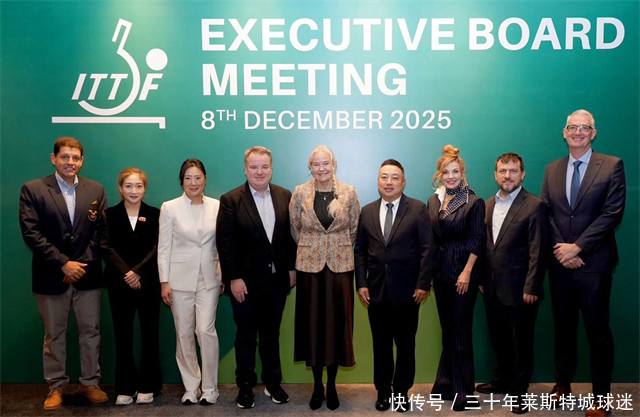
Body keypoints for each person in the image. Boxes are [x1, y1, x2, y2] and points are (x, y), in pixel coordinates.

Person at [541, 109, 625, 417]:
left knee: (597, 331)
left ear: (593, 133)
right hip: (560, 264)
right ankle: (562, 386)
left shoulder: (612, 165)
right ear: (564, 132)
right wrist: (563, 252)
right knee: (563, 328)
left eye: (584, 127)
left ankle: (601, 398)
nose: (578, 132)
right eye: (573, 127)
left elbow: (612, 213)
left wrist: (578, 247)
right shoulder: (551, 169)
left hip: (595, 264)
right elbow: (546, 213)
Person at [19, 137, 108, 410]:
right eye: (65, 157)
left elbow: (101, 233)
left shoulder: (96, 189)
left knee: (90, 331)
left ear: (82, 161)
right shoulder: (33, 189)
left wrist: (78, 265)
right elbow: (31, 233)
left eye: (75, 158)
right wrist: (63, 264)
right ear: (53, 158)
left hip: (88, 276)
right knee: (54, 334)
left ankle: (90, 383)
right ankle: (56, 386)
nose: (70, 162)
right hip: (50, 276)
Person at [216, 146, 297, 409]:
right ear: (245, 169)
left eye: (264, 167)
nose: (259, 172)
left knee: (271, 336)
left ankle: (273, 383)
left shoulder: (285, 196)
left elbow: (290, 238)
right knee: (246, 337)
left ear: (271, 168)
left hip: (276, 282)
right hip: (245, 284)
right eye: (254, 167)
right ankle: (245, 387)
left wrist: (292, 268)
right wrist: (233, 278)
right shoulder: (231, 199)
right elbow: (225, 243)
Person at [355, 159, 432, 412]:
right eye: (384, 177)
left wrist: (423, 283)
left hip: (409, 292)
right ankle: (382, 391)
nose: (389, 182)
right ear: (378, 180)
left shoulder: (418, 209)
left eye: (395, 177)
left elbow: (427, 249)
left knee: (406, 346)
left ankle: (401, 392)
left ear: (403, 182)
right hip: (375, 292)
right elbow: (360, 251)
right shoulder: (367, 211)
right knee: (381, 346)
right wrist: (361, 283)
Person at [290, 145, 361, 411]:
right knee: (313, 327)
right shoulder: (300, 192)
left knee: (336, 327)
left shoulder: (348, 192)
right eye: (316, 164)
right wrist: (314, 247)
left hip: (340, 268)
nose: (322, 168)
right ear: (310, 167)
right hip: (309, 269)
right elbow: (295, 228)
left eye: (326, 163)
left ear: (334, 164)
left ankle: (331, 385)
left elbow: (354, 228)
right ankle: (317, 386)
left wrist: (334, 247)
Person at [477, 153, 548, 414]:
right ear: (495, 175)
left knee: (521, 343)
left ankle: (519, 392)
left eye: (513, 171)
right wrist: (482, 278)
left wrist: (532, 286)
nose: (507, 176)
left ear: (522, 174)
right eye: (502, 171)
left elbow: (538, 250)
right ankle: (501, 381)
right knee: (499, 338)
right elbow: (485, 246)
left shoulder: (535, 205)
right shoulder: (487, 205)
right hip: (492, 287)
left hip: (521, 289)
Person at [157, 158, 223, 405]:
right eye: (188, 178)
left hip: (210, 278)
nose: (193, 182)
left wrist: (223, 273)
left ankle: (210, 387)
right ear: (181, 181)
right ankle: (191, 387)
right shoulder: (170, 207)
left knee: (205, 331)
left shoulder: (217, 206)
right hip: (179, 280)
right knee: (184, 333)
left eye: (198, 177)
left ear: (205, 179)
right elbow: (164, 247)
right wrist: (164, 281)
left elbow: (223, 243)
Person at [427, 145, 484, 412]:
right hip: (440, 273)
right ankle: (445, 383)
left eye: (455, 172)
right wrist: (429, 274)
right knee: (448, 331)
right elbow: (431, 240)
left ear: (463, 173)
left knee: (461, 332)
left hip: (463, 274)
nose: (451, 176)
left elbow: (478, 238)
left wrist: (467, 271)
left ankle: (464, 391)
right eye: (446, 172)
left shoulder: (473, 201)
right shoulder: (433, 201)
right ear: (439, 174)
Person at [100, 168, 162, 405]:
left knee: (150, 334)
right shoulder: (109, 215)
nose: (134, 191)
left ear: (145, 188)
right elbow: (105, 247)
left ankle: (149, 385)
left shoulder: (154, 214)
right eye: (128, 186)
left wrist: (138, 272)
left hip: (148, 282)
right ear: (120, 188)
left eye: (138, 186)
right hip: (119, 283)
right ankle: (125, 387)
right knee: (123, 336)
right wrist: (127, 272)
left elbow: (158, 246)